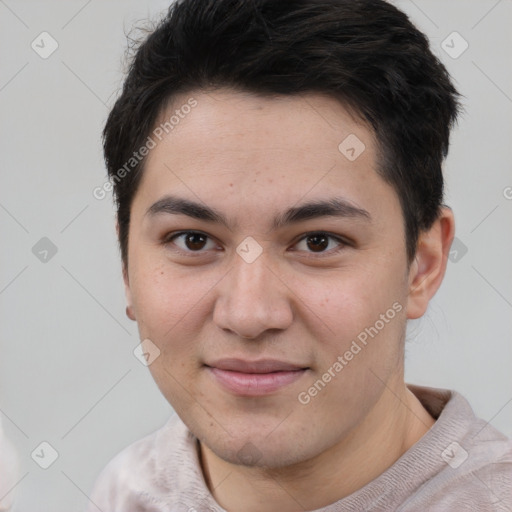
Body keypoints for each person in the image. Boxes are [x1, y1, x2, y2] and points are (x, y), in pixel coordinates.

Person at [87, 0, 512, 510]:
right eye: (193, 240)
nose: (248, 314)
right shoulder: (125, 493)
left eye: (318, 242)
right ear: (127, 266)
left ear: (422, 264)